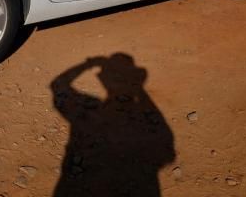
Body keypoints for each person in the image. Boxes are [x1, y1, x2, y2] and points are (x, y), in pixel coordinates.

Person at [51, 54, 175, 196]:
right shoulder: (142, 115)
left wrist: (87, 65)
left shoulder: (89, 110)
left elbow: (58, 85)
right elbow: (166, 153)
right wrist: (138, 88)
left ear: (102, 78)